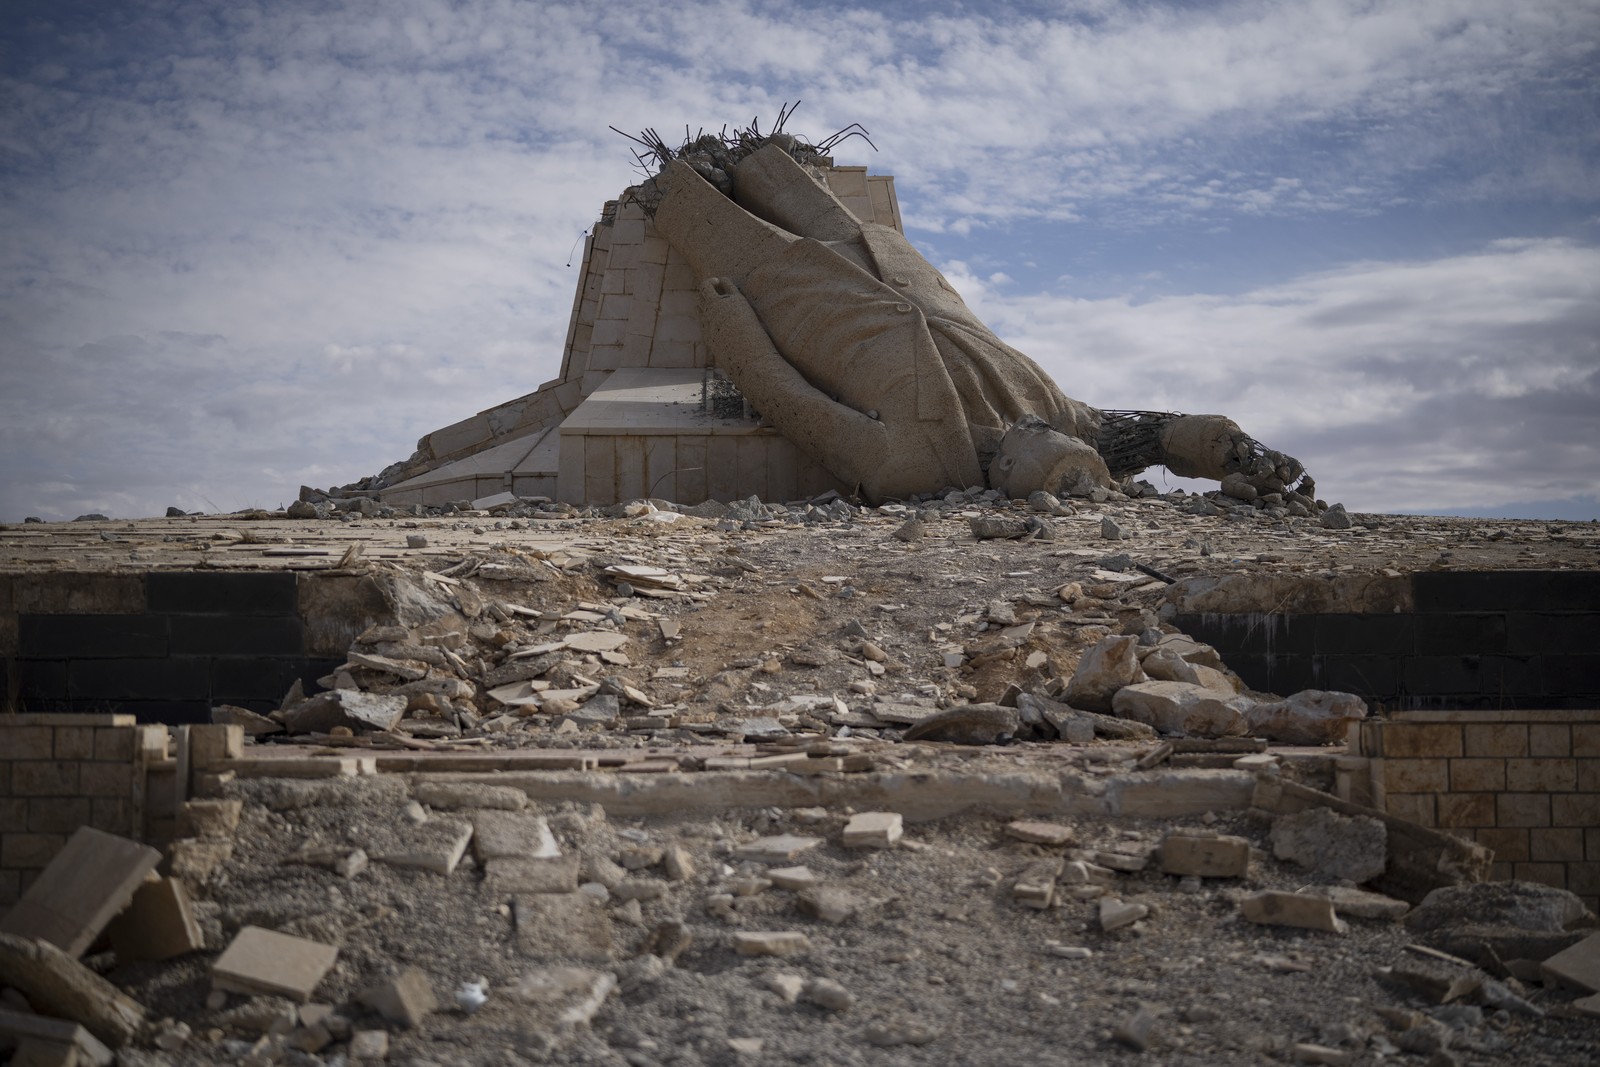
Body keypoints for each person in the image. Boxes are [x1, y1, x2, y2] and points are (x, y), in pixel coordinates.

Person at [651, 144, 1310, 505]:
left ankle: (679, 184)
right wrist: (1229, 447)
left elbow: (797, 407)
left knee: (699, 214)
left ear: (1009, 471)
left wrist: (735, 334)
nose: (1032, 426)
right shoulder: (1051, 411)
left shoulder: (909, 466)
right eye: (1046, 433)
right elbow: (1144, 435)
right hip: (901, 270)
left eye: (1030, 443)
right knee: (775, 172)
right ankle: (754, 159)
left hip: (801, 304)